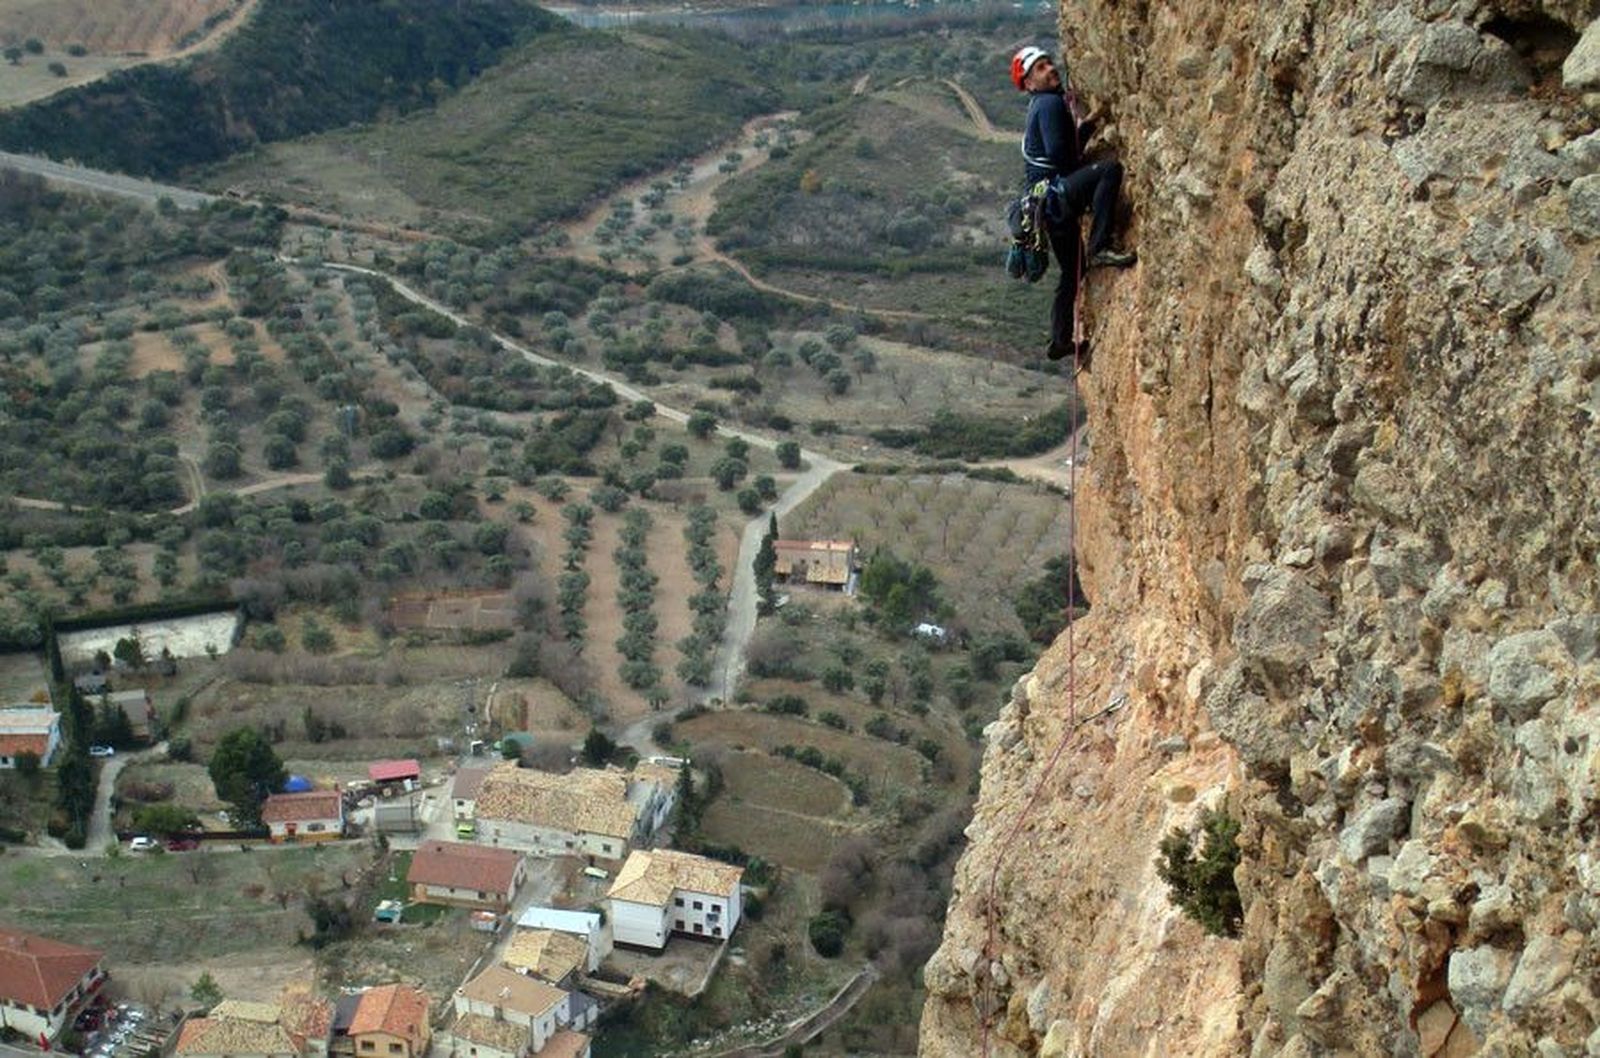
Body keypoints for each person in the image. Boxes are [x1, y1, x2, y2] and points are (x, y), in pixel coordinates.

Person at [1013, 45, 1135, 363]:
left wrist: (1087, 126)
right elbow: (1061, 157)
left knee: (1072, 270)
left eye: (1048, 63)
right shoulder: (1050, 104)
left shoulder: (1039, 105)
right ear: (1029, 83)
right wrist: (1085, 133)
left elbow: (1060, 153)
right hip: (1057, 195)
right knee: (1109, 170)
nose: (1050, 69)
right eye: (1039, 69)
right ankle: (1101, 245)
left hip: (1046, 205)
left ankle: (1059, 340)